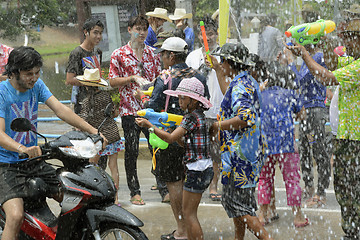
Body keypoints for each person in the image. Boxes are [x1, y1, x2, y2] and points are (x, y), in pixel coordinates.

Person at [0, 46, 107, 240]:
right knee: (15, 216)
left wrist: (93, 131)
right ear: (14, 72)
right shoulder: (2, 93)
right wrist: (21, 148)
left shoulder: (37, 86)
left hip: (33, 161)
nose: (34, 77)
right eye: (28, 74)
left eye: (37, 72)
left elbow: (61, 110)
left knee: (76, 197)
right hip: (6, 165)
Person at [286, 17, 360, 240]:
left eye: (349, 38)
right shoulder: (350, 60)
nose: (345, 42)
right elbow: (330, 60)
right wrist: (314, 42)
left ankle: (353, 231)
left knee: (349, 188)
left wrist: (306, 54)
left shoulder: (358, 67)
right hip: (346, 136)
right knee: (344, 186)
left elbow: (325, 76)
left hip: (354, 139)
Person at [140, 36, 209, 240]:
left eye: (162, 54)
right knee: (190, 185)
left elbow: (151, 107)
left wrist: (143, 98)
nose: (161, 58)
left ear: (171, 55)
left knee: (174, 182)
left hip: (169, 134)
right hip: (191, 138)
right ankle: (190, 225)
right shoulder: (199, 76)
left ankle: (182, 229)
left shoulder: (165, 77)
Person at [209, 42, 272, 240]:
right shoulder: (247, 81)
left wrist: (218, 126)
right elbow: (230, 93)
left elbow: (245, 118)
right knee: (240, 204)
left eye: (222, 61)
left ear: (229, 62)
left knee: (236, 204)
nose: (220, 63)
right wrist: (218, 72)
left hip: (240, 157)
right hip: (249, 152)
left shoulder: (241, 86)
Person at [65, 18, 123, 204]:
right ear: (86, 32)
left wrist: (99, 83)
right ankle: (88, 194)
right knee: (90, 152)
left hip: (100, 102)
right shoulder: (77, 53)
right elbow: (69, 79)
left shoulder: (97, 52)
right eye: (95, 32)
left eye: (100, 33)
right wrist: (88, 81)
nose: (98, 36)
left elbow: (98, 76)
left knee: (105, 152)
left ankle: (110, 196)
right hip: (84, 106)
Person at [109, 15, 161, 205]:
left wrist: (151, 88)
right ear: (129, 30)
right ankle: (135, 191)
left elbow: (160, 80)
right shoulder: (119, 54)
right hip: (129, 110)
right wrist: (131, 78)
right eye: (137, 29)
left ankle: (163, 187)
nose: (141, 33)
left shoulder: (152, 54)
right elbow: (112, 81)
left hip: (150, 111)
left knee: (157, 148)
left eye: (144, 29)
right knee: (131, 151)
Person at [257, 61, 309, 228]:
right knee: (292, 179)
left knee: (264, 179)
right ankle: (298, 216)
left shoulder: (261, 95)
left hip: (265, 145)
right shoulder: (289, 95)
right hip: (286, 145)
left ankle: (262, 215)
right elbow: (302, 115)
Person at [286, 40, 330, 208]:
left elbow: (298, 81)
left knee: (318, 151)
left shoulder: (317, 57)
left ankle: (321, 192)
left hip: (315, 111)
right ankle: (309, 186)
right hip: (305, 112)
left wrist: (290, 62)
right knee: (305, 150)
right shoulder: (308, 57)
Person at [186, 16, 223, 201]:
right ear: (200, 37)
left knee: (216, 151)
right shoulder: (192, 57)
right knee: (199, 150)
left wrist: (216, 65)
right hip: (198, 112)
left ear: (217, 34)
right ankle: (197, 183)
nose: (209, 37)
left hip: (218, 109)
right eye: (205, 34)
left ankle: (214, 185)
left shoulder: (223, 54)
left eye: (212, 33)